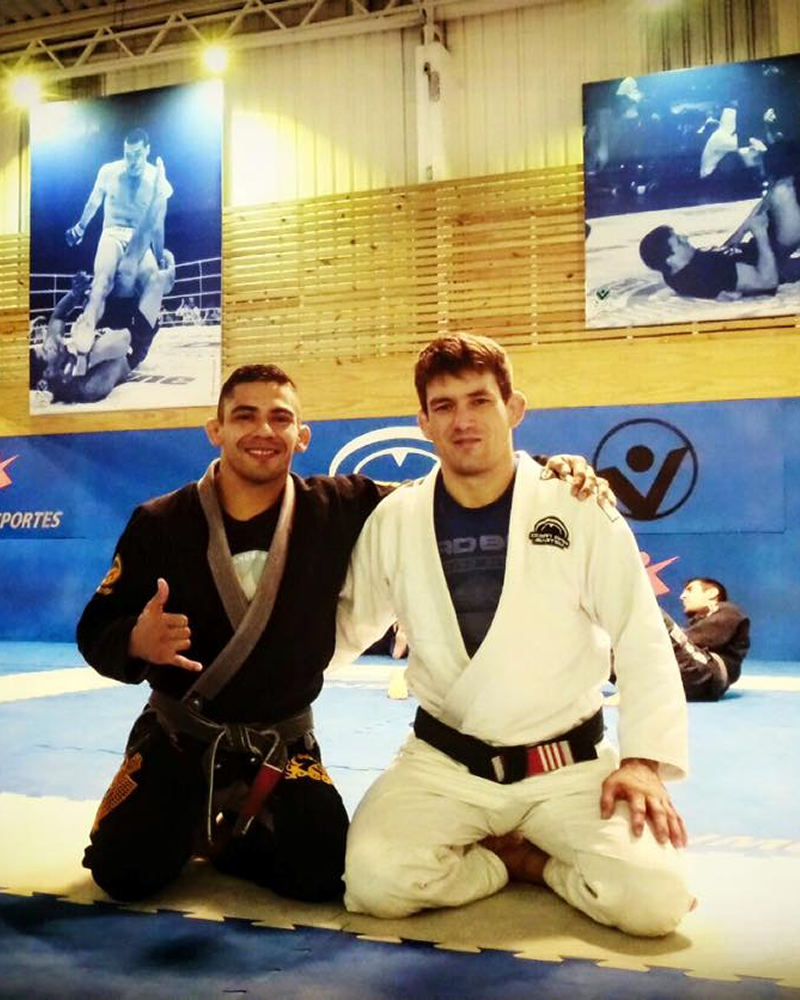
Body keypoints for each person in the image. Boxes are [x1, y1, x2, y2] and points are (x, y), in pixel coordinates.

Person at [77, 361, 611, 905]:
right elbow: (96, 627)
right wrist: (135, 642)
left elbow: (454, 486)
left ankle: (226, 837)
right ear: (216, 430)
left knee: (325, 873)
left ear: (302, 435)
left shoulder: (340, 507)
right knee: (122, 872)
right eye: (245, 416)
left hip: (280, 745)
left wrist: (544, 474)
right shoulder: (160, 522)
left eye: (280, 418)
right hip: (180, 737)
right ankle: (198, 822)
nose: (263, 431)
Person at [334, 334, 693, 938]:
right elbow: (346, 627)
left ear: (514, 408)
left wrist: (641, 762)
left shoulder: (576, 504)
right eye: (444, 406)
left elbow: (639, 634)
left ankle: (534, 862)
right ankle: (501, 862)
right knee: (375, 882)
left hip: (567, 764)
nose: (463, 420)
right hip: (446, 764)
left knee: (655, 900)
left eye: (480, 400)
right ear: (423, 423)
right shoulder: (396, 518)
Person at [65, 128, 172, 370]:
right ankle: (87, 326)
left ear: (147, 150)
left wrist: (159, 255)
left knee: (153, 278)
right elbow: (93, 201)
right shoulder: (109, 171)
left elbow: (157, 223)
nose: (132, 161)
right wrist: (80, 227)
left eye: (137, 155)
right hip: (112, 232)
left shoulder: (156, 180)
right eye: (127, 154)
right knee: (102, 280)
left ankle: (137, 343)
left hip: (139, 237)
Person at [30, 250, 176, 405]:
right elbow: (123, 343)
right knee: (157, 281)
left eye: (45, 347)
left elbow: (58, 315)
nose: (49, 345)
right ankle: (171, 271)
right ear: (48, 373)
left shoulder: (54, 346)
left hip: (108, 323)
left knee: (107, 281)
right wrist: (86, 358)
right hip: (134, 341)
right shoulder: (88, 387)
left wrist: (74, 294)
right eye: (46, 352)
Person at [662, 578, 750, 702]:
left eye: (690, 590)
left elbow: (699, 640)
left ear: (712, 593)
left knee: (657, 617)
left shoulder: (729, 611)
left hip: (706, 673)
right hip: (700, 678)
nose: (682, 596)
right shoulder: (698, 622)